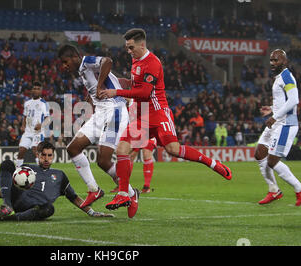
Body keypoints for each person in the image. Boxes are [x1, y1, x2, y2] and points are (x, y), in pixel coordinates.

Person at [99, 28, 231, 215]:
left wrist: (116, 92)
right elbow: (137, 85)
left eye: (131, 47)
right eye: (127, 48)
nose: (128, 51)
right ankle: (125, 194)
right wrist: (120, 82)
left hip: (159, 113)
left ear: (142, 44)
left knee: (173, 150)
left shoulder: (152, 62)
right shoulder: (135, 60)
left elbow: (144, 93)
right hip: (142, 114)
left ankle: (212, 163)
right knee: (122, 150)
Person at [57, 44, 138, 212]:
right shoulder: (82, 72)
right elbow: (96, 87)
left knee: (103, 160)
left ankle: (130, 193)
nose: (64, 66)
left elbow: (107, 61)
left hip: (115, 111)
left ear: (74, 57)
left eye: (65, 62)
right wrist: (90, 100)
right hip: (100, 113)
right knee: (73, 148)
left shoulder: (86, 61)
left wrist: (100, 85)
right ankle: (94, 190)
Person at [0, 141, 114, 221]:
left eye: (49, 155)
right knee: (8, 164)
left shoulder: (60, 175)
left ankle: (5, 218)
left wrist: (92, 212)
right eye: (43, 155)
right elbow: (10, 188)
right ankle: (6, 207)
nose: (46, 158)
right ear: (38, 155)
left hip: (38, 208)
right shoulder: (26, 169)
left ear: (53, 156)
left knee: (49, 208)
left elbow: (74, 198)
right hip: (19, 200)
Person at [254, 49, 301, 206]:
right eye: (271, 60)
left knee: (272, 161)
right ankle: (274, 190)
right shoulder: (279, 77)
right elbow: (283, 100)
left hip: (285, 124)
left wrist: (275, 116)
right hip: (277, 121)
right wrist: (272, 108)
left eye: (276, 60)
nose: (272, 63)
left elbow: (294, 100)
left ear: (284, 61)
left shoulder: (286, 76)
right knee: (259, 153)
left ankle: (300, 188)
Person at [15, 81, 50, 167]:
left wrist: (41, 125)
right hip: (28, 132)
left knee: (35, 149)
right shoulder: (27, 103)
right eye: (34, 88)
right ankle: (18, 169)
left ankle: (41, 169)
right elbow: (25, 116)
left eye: (38, 89)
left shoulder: (44, 103)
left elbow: (48, 119)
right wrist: (23, 126)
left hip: (38, 132)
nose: (36, 90)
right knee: (21, 151)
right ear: (31, 90)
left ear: (41, 91)